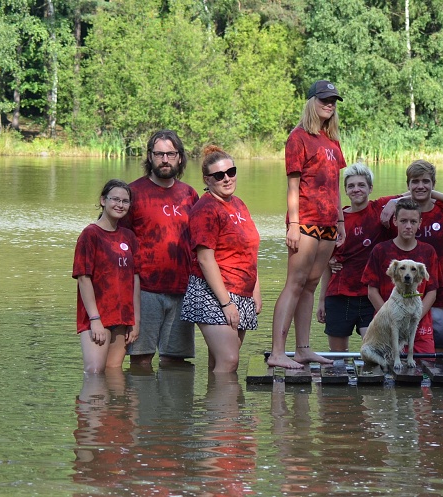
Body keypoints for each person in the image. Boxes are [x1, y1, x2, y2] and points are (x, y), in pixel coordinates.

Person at [267, 80, 347, 369]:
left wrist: (340, 220)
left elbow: (335, 185)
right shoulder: (298, 137)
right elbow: (293, 186)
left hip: (328, 224)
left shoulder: (332, 141)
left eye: (333, 101)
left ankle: (302, 349)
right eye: (324, 99)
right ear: (312, 102)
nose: (329, 104)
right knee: (295, 282)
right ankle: (278, 352)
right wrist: (293, 224)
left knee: (311, 285)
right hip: (305, 222)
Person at [121, 130, 199, 368]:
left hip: (182, 290)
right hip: (144, 290)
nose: (165, 160)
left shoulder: (190, 195)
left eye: (171, 154)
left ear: (180, 157)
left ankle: (171, 397)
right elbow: (119, 242)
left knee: (175, 361)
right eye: (159, 154)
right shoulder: (133, 193)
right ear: (149, 156)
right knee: (141, 359)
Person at [180, 146, 261, 373]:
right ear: (207, 179)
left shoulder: (239, 204)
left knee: (220, 361)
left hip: (242, 291)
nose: (227, 178)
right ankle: (226, 402)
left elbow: (249, 249)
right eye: (219, 175)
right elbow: (205, 260)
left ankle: (215, 397)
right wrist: (226, 303)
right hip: (213, 292)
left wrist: (255, 290)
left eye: (231, 172)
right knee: (229, 360)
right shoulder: (205, 209)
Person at [316, 161, 395, 352]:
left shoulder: (379, 209)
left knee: (373, 351)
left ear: (370, 188)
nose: (356, 189)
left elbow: (416, 194)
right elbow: (327, 264)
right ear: (345, 190)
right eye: (351, 186)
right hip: (338, 295)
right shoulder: (337, 220)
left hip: (371, 296)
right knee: (338, 358)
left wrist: (394, 202)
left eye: (361, 185)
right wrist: (321, 300)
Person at [381, 160, 443, 352]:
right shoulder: (399, 213)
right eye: (415, 181)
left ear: (433, 184)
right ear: (408, 184)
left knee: (440, 350)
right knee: (400, 350)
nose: (420, 186)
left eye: (426, 181)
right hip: (403, 297)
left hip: (439, 295)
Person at [73, 180, 140, 373]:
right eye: (115, 199)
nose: (120, 205)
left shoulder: (129, 237)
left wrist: (135, 320)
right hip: (96, 317)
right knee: (94, 372)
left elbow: (135, 279)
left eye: (125, 201)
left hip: (122, 318)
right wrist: (95, 319)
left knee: (113, 374)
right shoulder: (90, 234)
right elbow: (83, 278)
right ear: (103, 200)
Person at [362, 198, 439, 353]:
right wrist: (392, 317)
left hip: (419, 330)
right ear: (395, 221)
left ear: (420, 223)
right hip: (386, 328)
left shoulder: (428, 252)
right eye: (403, 221)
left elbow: (432, 291)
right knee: (383, 364)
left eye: (413, 221)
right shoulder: (380, 250)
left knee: (425, 365)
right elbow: (372, 291)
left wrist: (414, 317)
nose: (408, 226)